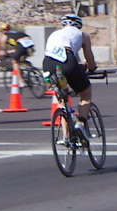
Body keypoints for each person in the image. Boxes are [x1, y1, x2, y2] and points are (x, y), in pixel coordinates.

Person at [42, 14, 97, 143]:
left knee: (62, 98)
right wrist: (92, 68)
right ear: (79, 25)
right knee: (85, 94)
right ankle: (81, 125)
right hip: (68, 61)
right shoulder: (83, 35)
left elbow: (57, 57)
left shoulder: (56, 34)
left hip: (47, 64)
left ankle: (66, 137)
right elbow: (89, 58)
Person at [0, 23, 35, 88]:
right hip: (29, 42)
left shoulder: (6, 35)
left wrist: (5, 52)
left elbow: (4, 46)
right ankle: (29, 68)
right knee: (22, 57)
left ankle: (21, 81)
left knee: (14, 61)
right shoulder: (14, 32)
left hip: (22, 43)